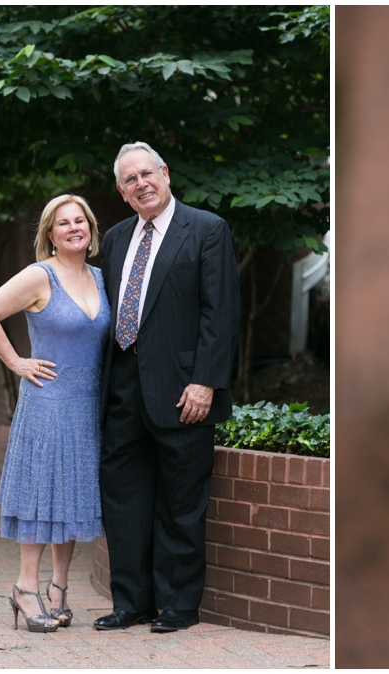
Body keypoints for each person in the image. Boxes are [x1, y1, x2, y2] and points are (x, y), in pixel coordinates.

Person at [93, 141, 239, 633]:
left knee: (181, 501)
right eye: (130, 179)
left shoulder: (206, 229)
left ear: (166, 173)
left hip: (183, 392)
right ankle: (130, 601)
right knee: (124, 500)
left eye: (147, 173)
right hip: (123, 390)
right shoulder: (114, 240)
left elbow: (220, 314)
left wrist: (205, 382)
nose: (141, 183)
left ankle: (178, 605)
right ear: (121, 191)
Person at [0, 195, 109, 633]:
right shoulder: (39, 275)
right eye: (63, 223)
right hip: (47, 404)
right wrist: (17, 361)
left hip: (87, 407)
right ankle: (24, 588)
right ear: (49, 234)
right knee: (39, 494)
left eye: (80, 221)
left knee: (70, 496)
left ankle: (59, 590)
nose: (74, 228)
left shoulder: (102, 278)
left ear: (90, 229)